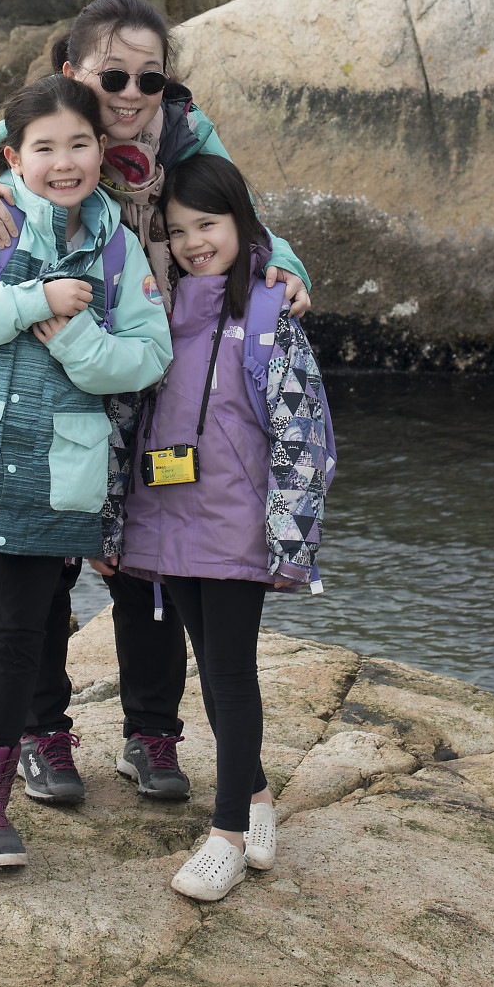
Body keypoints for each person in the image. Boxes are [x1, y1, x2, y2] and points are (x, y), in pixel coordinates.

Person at [0, 0, 313, 807]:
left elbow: (239, 214)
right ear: (71, 71)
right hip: (45, 367)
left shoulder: (181, 132)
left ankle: (151, 732)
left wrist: (285, 264)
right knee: (42, 561)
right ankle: (40, 733)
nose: (130, 94)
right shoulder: (34, 128)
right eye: (111, 75)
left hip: (155, 365)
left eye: (149, 78)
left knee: (148, 559)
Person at [0, 74, 171, 885]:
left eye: (77, 144)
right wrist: (31, 299)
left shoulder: (116, 247)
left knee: (21, 635)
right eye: (44, 147)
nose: (63, 161)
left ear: (101, 151)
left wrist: (75, 336)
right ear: (14, 157)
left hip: (58, 477)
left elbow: (148, 355)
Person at [111, 152, 332, 903]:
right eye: (176, 231)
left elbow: (303, 438)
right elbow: (132, 416)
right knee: (209, 668)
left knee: (231, 674)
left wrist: (291, 541)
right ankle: (257, 795)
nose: (192, 242)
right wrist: (115, 522)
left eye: (207, 224)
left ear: (242, 221)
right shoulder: (162, 309)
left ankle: (227, 834)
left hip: (238, 523)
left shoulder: (271, 314)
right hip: (168, 518)